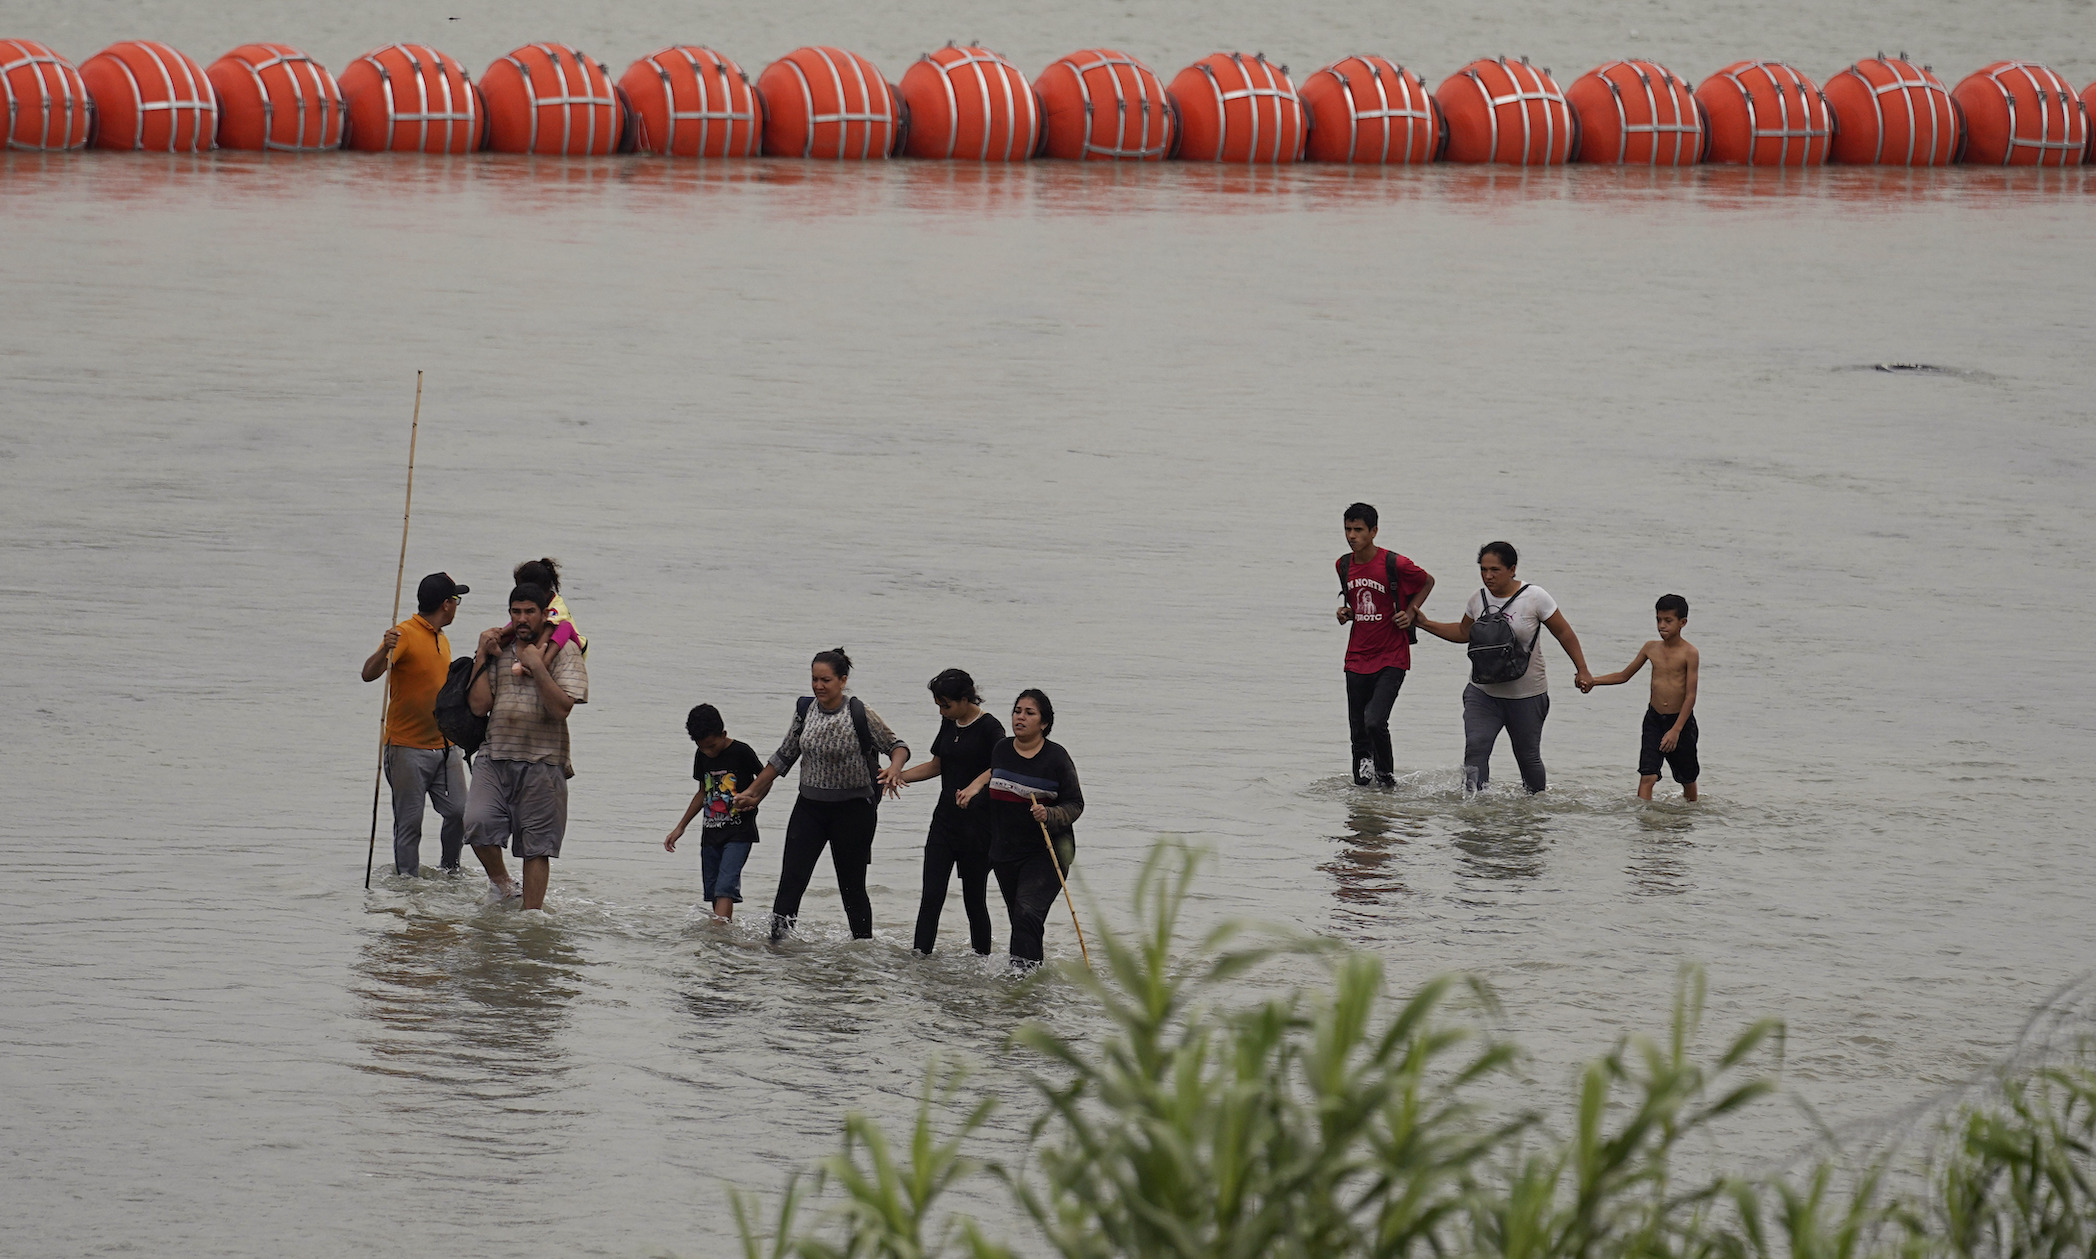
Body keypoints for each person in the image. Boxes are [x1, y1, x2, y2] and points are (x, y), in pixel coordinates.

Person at [731, 649, 909, 942]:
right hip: (809, 809)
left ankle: (862, 948)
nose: (818, 686)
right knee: (791, 880)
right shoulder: (805, 710)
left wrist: (895, 768)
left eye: (825, 680)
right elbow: (783, 756)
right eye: (814, 679)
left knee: (852, 886)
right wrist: (753, 792)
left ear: (842, 680)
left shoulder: (859, 713)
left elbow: (897, 745)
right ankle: (778, 944)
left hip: (854, 812)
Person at [1417, 542, 1595, 794]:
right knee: (1476, 747)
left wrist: (1582, 669)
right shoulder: (1477, 599)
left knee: (1527, 757)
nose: (1488, 576)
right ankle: (1475, 809)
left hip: (1526, 695)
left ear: (1512, 569)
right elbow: (1462, 632)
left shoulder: (1535, 597)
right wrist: (1425, 623)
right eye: (1483, 569)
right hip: (1483, 693)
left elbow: (1564, 633)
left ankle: (1536, 809)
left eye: (1495, 570)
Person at [463, 583, 589, 910]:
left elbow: (562, 708)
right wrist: (480, 654)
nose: (521, 619)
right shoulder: (499, 649)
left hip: (544, 760)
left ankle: (530, 917)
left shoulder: (565, 651)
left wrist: (537, 666)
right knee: (476, 823)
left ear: (544, 614)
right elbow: (478, 707)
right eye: (515, 612)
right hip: (494, 755)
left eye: (529, 612)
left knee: (537, 848)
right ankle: (504, 885)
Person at [957, 689, 1083, 971]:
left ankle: (1020, 978)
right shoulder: (1002, 749)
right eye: (1017, 711)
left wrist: (1049, 813)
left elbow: (1075, 804)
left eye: (1029, 713)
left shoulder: (1056, 758)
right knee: (1023, 919)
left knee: (1027, 912)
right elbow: (998, 786)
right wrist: (973, 795)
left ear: (1044, 723)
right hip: (1005, 851)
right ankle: (1031, 978)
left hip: (1047, 853)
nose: (1021, 717)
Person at [360, 572, 470, 876]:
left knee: (460, 812)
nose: (457, 606)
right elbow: (368, 674)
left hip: (445, 747)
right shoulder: (404, 634)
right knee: (410, 823)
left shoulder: (441, 637)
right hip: (406, 747)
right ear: (446, 604)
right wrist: (385, 648)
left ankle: (451, 871)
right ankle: (407, 884)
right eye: (456, 600)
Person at [898, 669, 1004, 956]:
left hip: (978, 827)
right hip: (944, 822)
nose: (942, 711)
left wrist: (975, 786)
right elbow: (937, 765)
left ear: (966, 698)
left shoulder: (990, 727)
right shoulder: (949, 723)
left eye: (946, 705)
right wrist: (898, 776)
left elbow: (1002, 765)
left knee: (974, 900)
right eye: (939, 705)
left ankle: (982, 960)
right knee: (931, 896)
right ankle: (919, 959)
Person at [1334, 502, 1435, 787]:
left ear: (1374, 531)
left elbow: (1427, 581)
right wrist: (1347, 612)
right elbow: (1358, 602)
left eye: (1358, 530)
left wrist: (1412, 611)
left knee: (1375, 721)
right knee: (1358, 731)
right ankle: (1363, 798)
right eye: (1347, 529)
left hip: (1392, 656)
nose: (1352, 536)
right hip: (1356, 656)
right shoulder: (1343, 565)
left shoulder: (1395, 563)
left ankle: (1387, 781)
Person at [1588, 594, 1701, 801]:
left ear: (1682, 622)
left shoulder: (1690, 653)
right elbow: (1624, 675)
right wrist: (1594, 681)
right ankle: (1644, 824)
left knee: (1687, 777)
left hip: (1680, 722)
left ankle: (1689, 818)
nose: (1661, 626)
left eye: (1668, 621)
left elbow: (1691, 696)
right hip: (1654, 720)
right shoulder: (1651, 648)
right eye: (1658, 620)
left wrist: (1676, 730)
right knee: (1647, 775)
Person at [664, 704, 766, 918]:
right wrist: (680, 827)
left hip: (739, 832)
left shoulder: (741, 751)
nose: (708, 752)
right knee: (713, 891)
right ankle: (721, 939)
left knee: (725, 888)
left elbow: (766, 779)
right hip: (710, 833)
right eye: (703, 747)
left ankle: (719, 934)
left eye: (712, 746)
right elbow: (702, 792)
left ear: (723, 734)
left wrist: (754, 798)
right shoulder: (701, 756)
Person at [513, 557, 586, 656]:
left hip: (576, 644)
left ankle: (543, 660)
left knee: (563, 626)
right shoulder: (536, 606)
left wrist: (534, 654)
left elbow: (548, 631)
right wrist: (500, 633)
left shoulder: (557, 607)